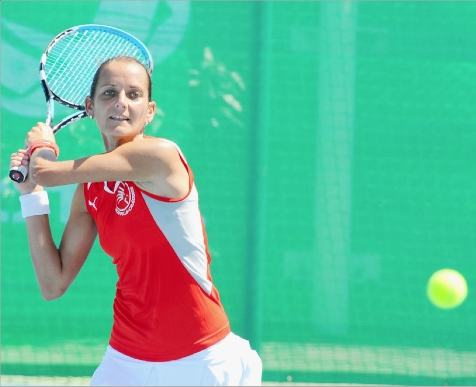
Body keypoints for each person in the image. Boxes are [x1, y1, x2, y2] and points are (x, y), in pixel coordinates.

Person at [9, 56, 262, 386]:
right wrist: (31, 195)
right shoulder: (90, 192)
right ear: (89, 105)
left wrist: (41, 144)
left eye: (134, 94)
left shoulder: (161, 156)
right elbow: (53, 283)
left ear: (150, 111)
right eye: (109, 93)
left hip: (200, 357)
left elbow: (46, 170)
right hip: (126, 359)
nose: (121, 104)